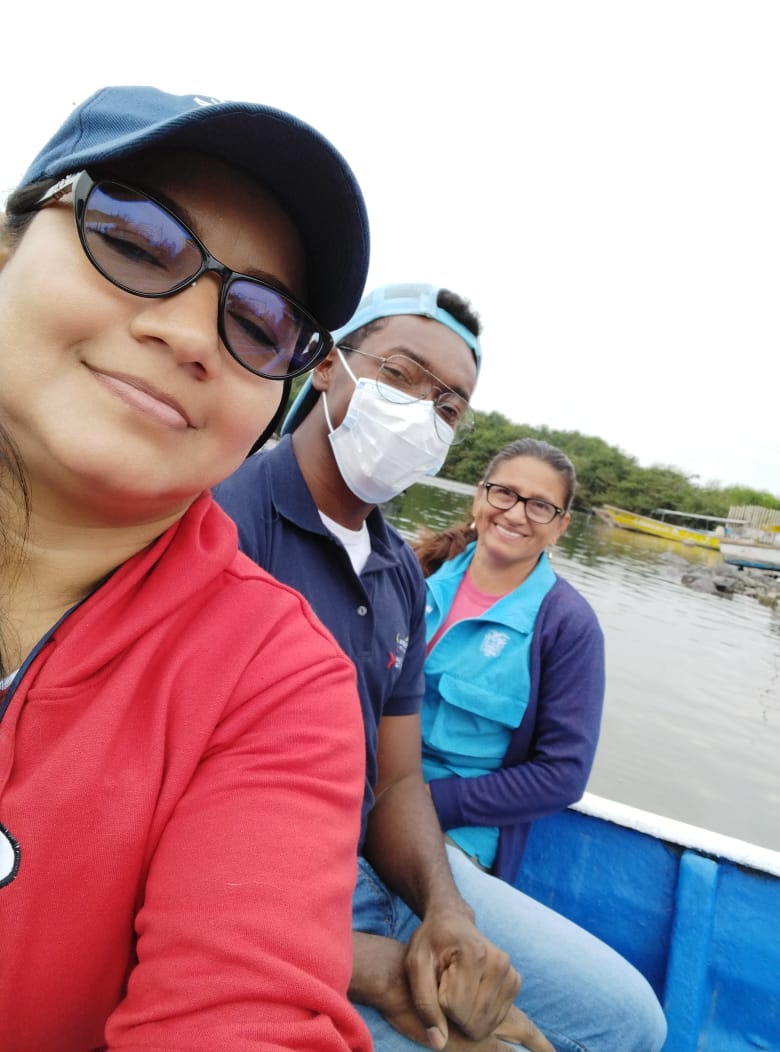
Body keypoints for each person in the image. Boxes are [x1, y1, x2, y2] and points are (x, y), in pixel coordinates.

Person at [0, 85, 374, 1051]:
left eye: (262, 323)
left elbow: (248, 1008)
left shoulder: (278, 679)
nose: (192, 335)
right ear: (7, 249)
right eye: (132, 239)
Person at [214, 282, 668, 1052]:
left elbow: (396, 780)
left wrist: (446, 907)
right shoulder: (224, 521)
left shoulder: (397, 574)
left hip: (383, 863)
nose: (420, 412)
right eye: (399, 374)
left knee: (629, 1022)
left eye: (449, 407)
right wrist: (360, 963)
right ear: (324, 365)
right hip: (255, 896)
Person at [413, 438, 604, 881]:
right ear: (479, 496)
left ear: (561, 526)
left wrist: (428, 801)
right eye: (504, 493)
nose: (516, 514)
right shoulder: (415, 572)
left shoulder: (567, 625)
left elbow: (562, 774)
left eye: (540, 506)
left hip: (454, 831)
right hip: (358, 784)